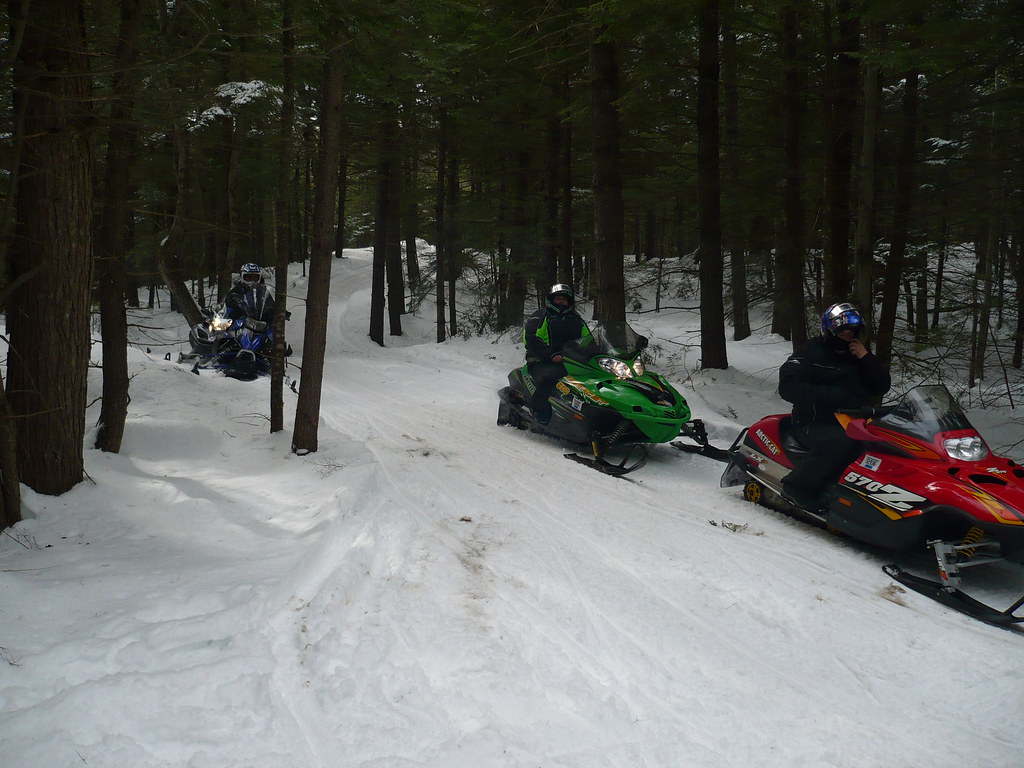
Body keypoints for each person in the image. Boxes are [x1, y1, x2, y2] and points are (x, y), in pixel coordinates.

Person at [777, 302, 891, 511]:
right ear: (831, 330)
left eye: (853, 331)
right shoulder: (811, 352)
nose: (848, 335)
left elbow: (881, 386)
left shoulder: (857, 356)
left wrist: (866, 359)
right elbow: (788, 386)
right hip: (813, 421)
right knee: (840, 442)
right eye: (843, 331)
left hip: (854, 422)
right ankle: (797, 487)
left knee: (884, 447)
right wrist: (832, 397)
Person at [522, 283, 592, 424]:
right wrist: (551, 354)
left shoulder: (577, 321)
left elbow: (589, 341)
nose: (561, 302)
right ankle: (539, 411)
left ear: (569, 302)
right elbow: (531, 338)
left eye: (564, 300)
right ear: (552, 300)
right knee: (551, 378)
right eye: (558, 299)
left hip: (572, 362)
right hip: (542, 360)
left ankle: (589, 415)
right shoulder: (541, 316)